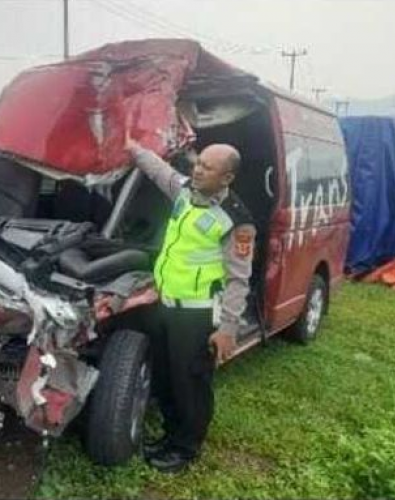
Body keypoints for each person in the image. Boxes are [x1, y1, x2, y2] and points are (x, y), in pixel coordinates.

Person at [125, 134, 256, 473]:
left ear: (226, 178)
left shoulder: (236, 221)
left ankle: (186, 448)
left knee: (191, 383)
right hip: (165, 304)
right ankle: (171, 434)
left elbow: (238, 280)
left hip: (197, 315)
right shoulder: (185, 190)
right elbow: (158, 170)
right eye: (198, 163)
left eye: (207, 168)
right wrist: (134, 148)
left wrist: (227, 330)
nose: (197, 170)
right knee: (167, 377)